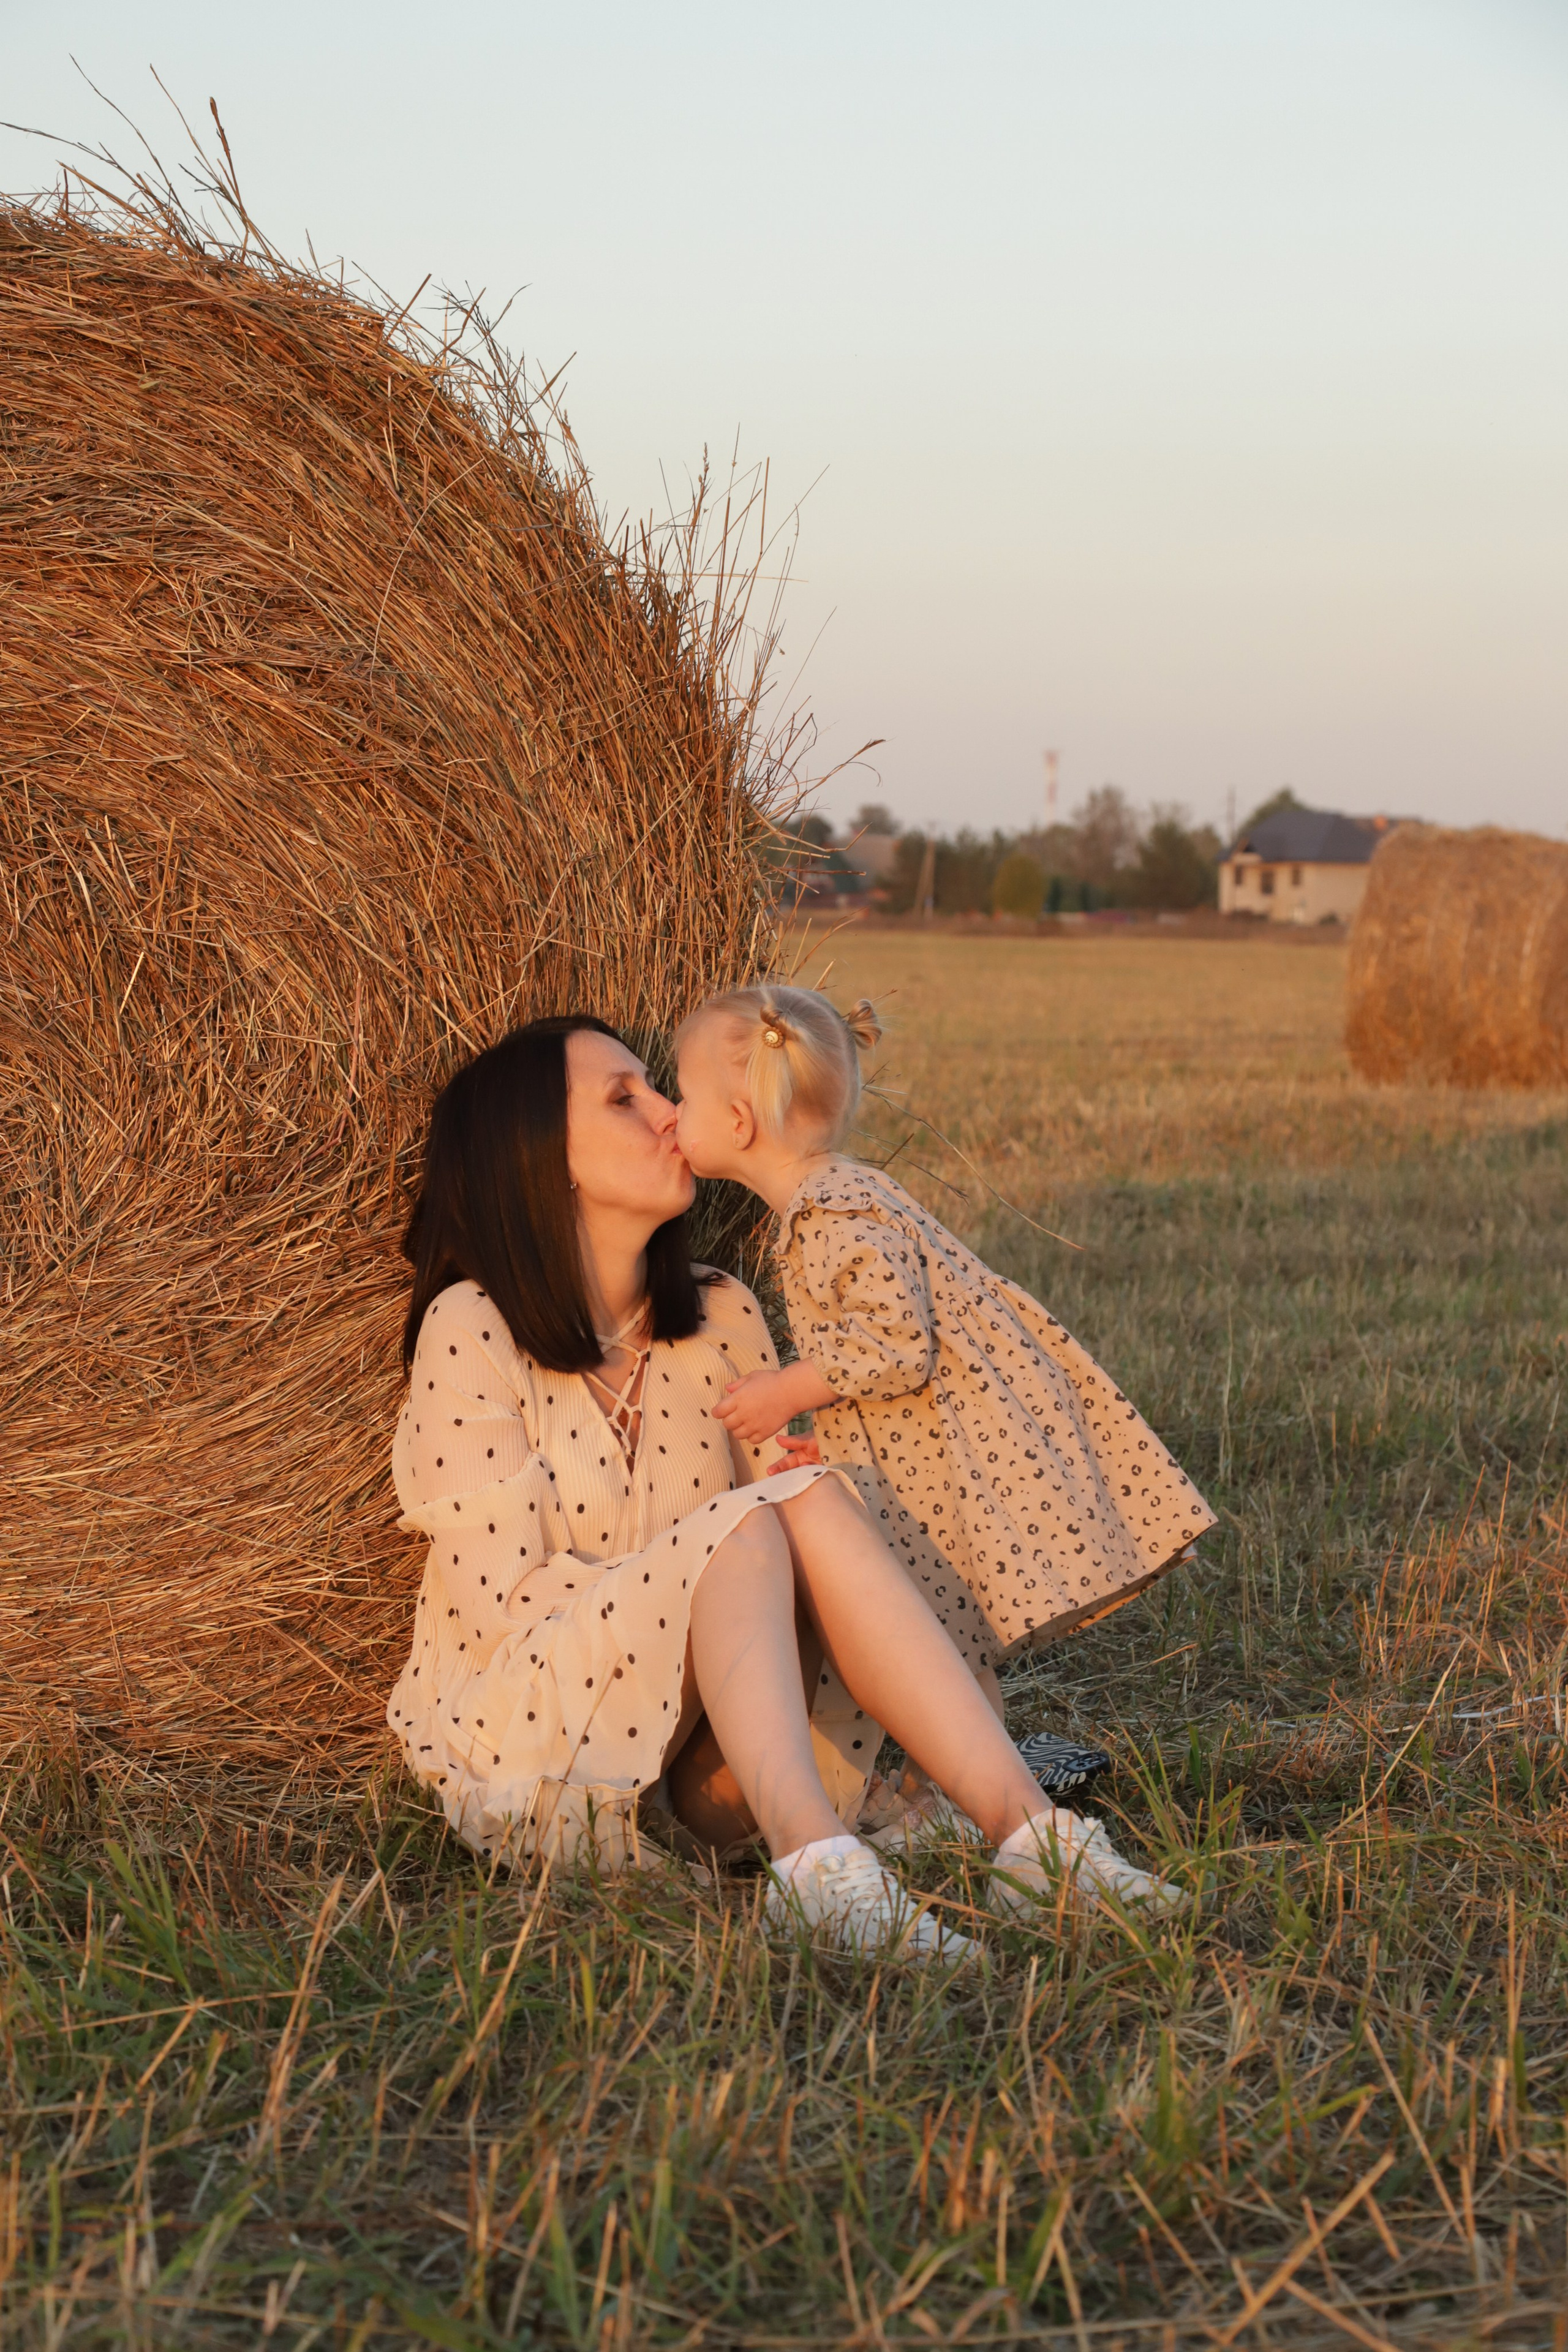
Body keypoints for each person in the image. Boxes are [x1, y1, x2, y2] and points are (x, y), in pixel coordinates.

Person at [388, 1016, 1183, 1960]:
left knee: (805, 1497)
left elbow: (800, 1543)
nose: (668, 1112)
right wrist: (699, 1568)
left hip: (718, 1769)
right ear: (535, 1154)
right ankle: (819, 1875)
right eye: (623, 1098)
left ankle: (1035, 1844)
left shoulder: (721, 1310)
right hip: (541, 1741)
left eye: (657, 1085)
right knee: (751, 1524)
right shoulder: (471, 1327)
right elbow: (498, 1607)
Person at [673, 982, 1215, 1831]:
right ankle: (963, 1791)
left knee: (940, 1633)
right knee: (944, 1629)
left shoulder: (831, 1212)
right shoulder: (834, 1198)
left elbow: (893, 1346)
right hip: (918, 1441)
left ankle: (962, 1800)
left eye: (681, 1095)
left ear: (738, 1124)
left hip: (948, 1456)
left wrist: (787, 1391)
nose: (671, 1113)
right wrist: (833, 1445)